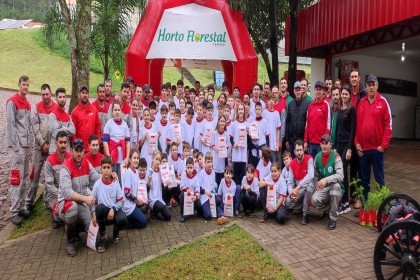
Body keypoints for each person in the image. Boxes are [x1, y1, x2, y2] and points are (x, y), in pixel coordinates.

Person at [57, 139, 103, 256]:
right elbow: (67, 193)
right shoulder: (65, 167)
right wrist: (86, 199)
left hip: (81, 201)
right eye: (76, 150)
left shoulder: (87, 164)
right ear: (72, 151)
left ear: (83, 151)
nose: (78, 153)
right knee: (73, 209)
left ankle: (76, 230)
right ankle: (70, 242)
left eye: (81, 150)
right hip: (66, 204)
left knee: (92, 228)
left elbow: (97, 177)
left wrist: (109, 175)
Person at [355, 75, 392, 204]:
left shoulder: (383, 102)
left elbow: (388, 125)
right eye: (369, 84)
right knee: (364, 180)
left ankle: (383, 208)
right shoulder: (362, 103)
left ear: (377, 86)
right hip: (363, 150)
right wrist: (357, 143)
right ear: (366, 86)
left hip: (377, 150)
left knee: (379, 180)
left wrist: (383, 146)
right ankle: (366, 207)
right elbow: (358, 125)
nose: (371, 87)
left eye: (373, 84)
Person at [6, 75, 34, 225]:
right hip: (18, 148)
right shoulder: (12, 101)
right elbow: (10, 126)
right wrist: (16, 147)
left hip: (27, 146)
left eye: (27, 85)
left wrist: (30, 144)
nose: (25, 87)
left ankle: (22, 206)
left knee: (25, 178)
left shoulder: (28, 104)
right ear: (18, 85)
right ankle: (14, 211)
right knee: (17, 179)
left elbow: (28, 125)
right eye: (23, 84)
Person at [26, 84, 57, 212]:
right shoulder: (37, 107)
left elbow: (56, 128)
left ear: (51, 94)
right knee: (35, 174)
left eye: (47, 94)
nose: (45, 97)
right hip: (39, 147)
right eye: (43, 94)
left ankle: (50, 200)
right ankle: (29, 201)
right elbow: (35, 127)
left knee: (52, 175)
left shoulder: (55, 107)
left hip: (52, 146)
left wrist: (50, 144)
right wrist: (43, 143)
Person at [92, 155, 126, 252]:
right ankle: (102, 238)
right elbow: (92, 202)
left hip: (113, 212)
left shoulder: (115, 182)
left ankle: (116, 231)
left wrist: (113, 209)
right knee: (100, 208)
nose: (106, 170)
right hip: (102, 214)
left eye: (108, 167)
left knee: (123, 219)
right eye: (104, 168)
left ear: (112, 169)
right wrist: (93, 213)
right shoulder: (97, 185)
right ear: (101, 169)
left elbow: (121, 201)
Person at [312, 134, 344, 230]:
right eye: (322, 143)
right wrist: (316, 184)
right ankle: (330, 209)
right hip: (323, 188)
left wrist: (326, 179)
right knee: (314, 200)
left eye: (326, 143)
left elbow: (340, 176)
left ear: (331, 145)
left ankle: (332, 218)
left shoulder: (336, 157)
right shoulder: (317, 157)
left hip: (334, 185)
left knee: (336, 188)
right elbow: (315, 175)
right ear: (320, 144)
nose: (324, 146)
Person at [335, 85, 356, 215]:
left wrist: (349, 148)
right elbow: (337, 130)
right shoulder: (338, 110)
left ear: (349, 95)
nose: (343, 96)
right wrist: (335, 147)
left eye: (346, 94)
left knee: (343, 172)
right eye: (342, 93)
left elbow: (353, 130)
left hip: (347, 146)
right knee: (340, 172)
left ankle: (346, 203)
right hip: (338, 145)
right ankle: (342, 200)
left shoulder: (352, 110)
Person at [44, 131, 71, 229]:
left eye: (65, 142)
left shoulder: (70, 157)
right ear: (56, 143)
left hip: (68, 191)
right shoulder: (49, 161)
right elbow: (49, 185)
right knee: (60, 216)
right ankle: (55, 216)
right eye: (61, 142)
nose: (63, 145)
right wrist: (62, 194)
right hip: (54, 195)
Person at [285, 140, 314, 224]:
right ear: (294, 152)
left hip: (309, 189)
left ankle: (305, 214)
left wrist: (298, 187)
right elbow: (290, 183)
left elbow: (311, 175)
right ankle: (302, 207)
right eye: (297, 150)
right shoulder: (292, 164)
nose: (299, 152)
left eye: (301, 150)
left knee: (308, 188)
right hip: (299, 191)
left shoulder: (309, 159)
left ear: (303, 150)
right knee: (287, 201)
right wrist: (292, 193)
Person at [103, 102, 131, 183]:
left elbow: (128, 142)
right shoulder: (109, 124)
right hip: (112, 157)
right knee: (113, 179)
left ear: (121, 111)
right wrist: (108, 157)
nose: (117, 112)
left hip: (122, 158)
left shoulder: (125, 124)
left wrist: (127, 157)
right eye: (115, 110)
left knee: (122, 180)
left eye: (118, 110)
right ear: (112, 112)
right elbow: (105, 141)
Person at [304, 81, 331, 159]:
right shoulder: (310, 105)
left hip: (321, 144)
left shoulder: (326, 105)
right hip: (311, 143)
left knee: (321, 167)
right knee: (311, 166)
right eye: (317, 89)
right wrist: (305, 141)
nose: (318, 91)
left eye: (320, 89)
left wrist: (325, 142)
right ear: (314, 90)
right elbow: (307, 125)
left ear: (323, 91)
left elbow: (328, 125)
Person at [71, 85, 101, 152]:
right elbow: (73, 132)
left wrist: (97, 142)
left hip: (92, 148)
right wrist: (75, 147)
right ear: (79, 95)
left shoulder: (94, 110)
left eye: (86, 93)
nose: (85, 95)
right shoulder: (74, 112)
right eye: (83, 93)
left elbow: (98, 127)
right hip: (80, 149)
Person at [122, 150, 148, 229]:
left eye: (137, 158)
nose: (136, 160)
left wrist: (143, 198)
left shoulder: (136, 171)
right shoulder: (128, 173)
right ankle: (126, 222)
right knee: (143, 223)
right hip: (128, 205)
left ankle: (133, 217)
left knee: (146, 206)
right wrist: (137, 200)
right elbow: (127, 193)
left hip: (133, 203)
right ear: (130, 159)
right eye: (134, 158)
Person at [198, 152, 226, 224]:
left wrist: (214, 191)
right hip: (204, 197)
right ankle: (202, 210)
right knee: (208, 216)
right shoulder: (201, 174)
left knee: (219, 201)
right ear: (204, 163)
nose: (210, 164)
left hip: (212, 196)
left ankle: (221, 216)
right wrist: (205, 191)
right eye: (208, 162)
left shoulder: (213, 173)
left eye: (211, 162)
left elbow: (213, 186)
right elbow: (198, 189)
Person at [284, 82, 310, 158]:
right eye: (296, 90)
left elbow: (307, 123)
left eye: (299, 90)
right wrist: (287, 139)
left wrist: (306, 141)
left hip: (302, 140)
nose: (298, 92)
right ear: (294, 91)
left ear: (302, 90)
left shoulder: (307, 104)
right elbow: (287, 122)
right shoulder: (290, 104)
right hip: (292, 140)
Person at [49, 88, 75, 154]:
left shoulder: (68, 117)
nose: (62, 99)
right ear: (56, 99)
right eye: (60, 97)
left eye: (64, 97)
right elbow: (56, 133)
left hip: (66, 152)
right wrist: (67, 130)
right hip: (54, 151)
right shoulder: (52, 115)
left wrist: (62, 128)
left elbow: (73, 131)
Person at [148, 150, 172, 221]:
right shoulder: (149, 171)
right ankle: (152, 211)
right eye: (156, 159)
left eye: (159, 160)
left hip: (159, 198)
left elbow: (164, 183)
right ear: (152, 158)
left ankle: (156, 212)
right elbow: (147, 186)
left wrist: (169, 173)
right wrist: (149, 180)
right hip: (152, 198)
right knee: (160, 206)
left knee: (168, 217)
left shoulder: (161, 171)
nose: (158, 161)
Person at [230, 103, 249, 185]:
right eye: (239, 109)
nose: (240, 111)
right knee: (236, 176)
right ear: (237, 111)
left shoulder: (247, 124)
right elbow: (231, 138)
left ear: (244, 111)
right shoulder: (234, 124)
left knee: (243, 176)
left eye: (242, 109)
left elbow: (249, 139)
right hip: (236, 154)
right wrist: (234, 144)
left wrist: (249, 134)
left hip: (243, 154)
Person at [179, 157, 201, 222]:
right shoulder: (183, 175)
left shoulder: (196, 177)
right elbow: (181, 186)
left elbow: (197, 188)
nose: (189, 169)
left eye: (191, 167)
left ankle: (191, 210)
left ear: (193, 168)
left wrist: (196, 196)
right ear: (186, 167)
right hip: (185, 194)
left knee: (199, 203)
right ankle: (182, 213)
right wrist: (186, 189)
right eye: (188, 167)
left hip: (192, 196)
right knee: (182, 195)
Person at [212, 115, 230, 186]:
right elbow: (212, 144)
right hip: (216, 158)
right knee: (216, 178)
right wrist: (215, 148)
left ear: (225, 123)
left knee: (223, 178)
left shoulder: (226, 134)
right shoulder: (214, 133)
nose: (222, 123)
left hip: (223, 159)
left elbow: (228, 145)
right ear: (218, 122)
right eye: (221, 121)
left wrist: (225, 148)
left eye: (223, 121)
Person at [263, 93, 281, 162]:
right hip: (266, 142)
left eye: (272, 100)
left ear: (274, 102)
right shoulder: (264, 113)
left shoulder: (276, 113)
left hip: (273, 143)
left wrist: (277, 144)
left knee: (273, 161)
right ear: (267, 101)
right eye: (269, 100)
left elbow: (278, 129)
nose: (271, 101)